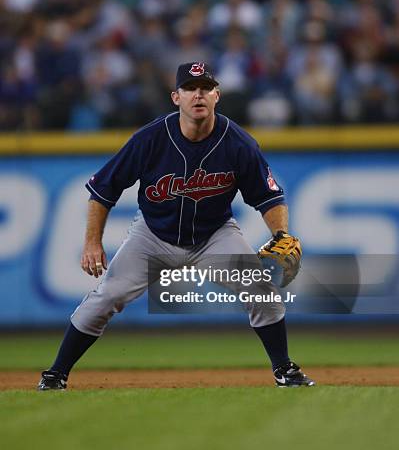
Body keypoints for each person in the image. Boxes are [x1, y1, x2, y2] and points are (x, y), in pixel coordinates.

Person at [37, 62, 315, 390]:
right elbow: (102, 191)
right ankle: (56, 373)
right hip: (152, 235)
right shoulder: (151, 138)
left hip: (214, 236)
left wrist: (280, 234)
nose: (198, 94)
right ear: (176, 97)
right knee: (106, 296)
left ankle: (284, 369)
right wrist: (92, 242)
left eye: (205, 88)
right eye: (190, 88)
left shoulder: (239, 143)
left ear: (216, 96)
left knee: (262, 293)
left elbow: (269, 198)